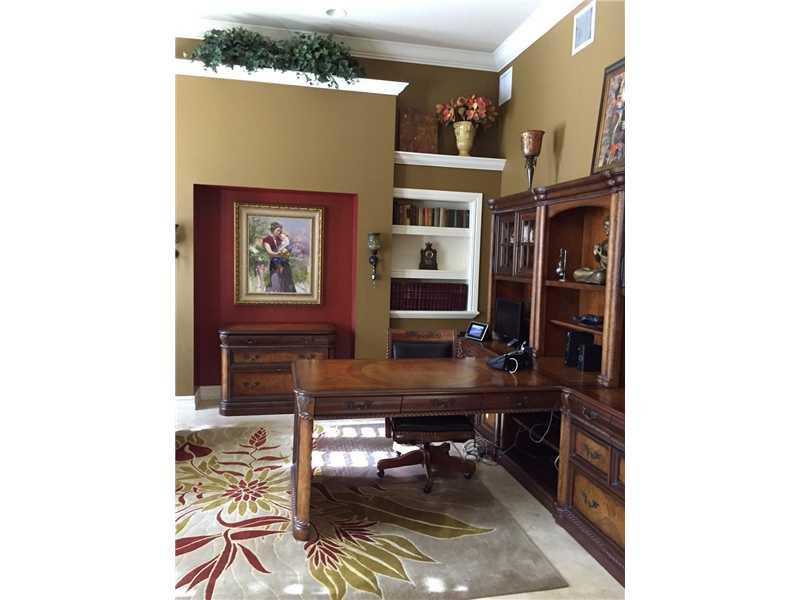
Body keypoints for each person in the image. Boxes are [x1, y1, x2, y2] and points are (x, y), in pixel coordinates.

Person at [262, 222, 296, 293]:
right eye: (278, 230)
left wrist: (287, 252)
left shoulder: (280, 238)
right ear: (272, 230)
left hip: (284, 263)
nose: (279, 232)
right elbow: (270, 252)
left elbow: (287, 245)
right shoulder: (267, 239)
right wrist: (279, 254)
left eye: (280, 231)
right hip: (275, 265)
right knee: (276, 283)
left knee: (287, 284)